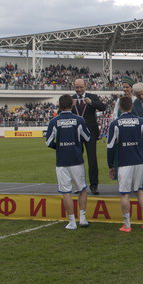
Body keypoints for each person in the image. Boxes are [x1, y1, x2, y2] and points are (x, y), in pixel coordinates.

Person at [107, 96, 143, 233]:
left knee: (125, 194)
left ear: (120, 107)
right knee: (139, 189)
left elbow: (110, 147)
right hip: (139, 160)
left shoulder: (115, 123)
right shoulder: (140, 121)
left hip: (125, 162)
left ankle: (127, 224)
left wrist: (110, 165)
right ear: (131, 106)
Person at [45, 94, 91, 230]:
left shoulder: (54, 121)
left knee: (66, 192)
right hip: (76, 159)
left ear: (59, 105)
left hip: (62, 160)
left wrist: (58, 147)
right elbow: (87, 137)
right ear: (72, 104)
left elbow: (48, 142)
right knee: (82, 189)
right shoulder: (79, 119)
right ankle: (82, 219)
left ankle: (71, 222)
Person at [72, 79, 106, 194]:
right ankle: (79, 185)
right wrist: (68, 105)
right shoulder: (71, 98)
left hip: (91, 133)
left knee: (92, 159)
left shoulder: (93, 96)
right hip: (75, 134)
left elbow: (103, 107)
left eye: (81, 87)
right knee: (76, 160)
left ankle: (94, 186)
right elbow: (61, 111)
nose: (79, 89)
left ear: (85, 86)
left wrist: (91, 102)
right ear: (74, 87)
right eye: (77, 87)